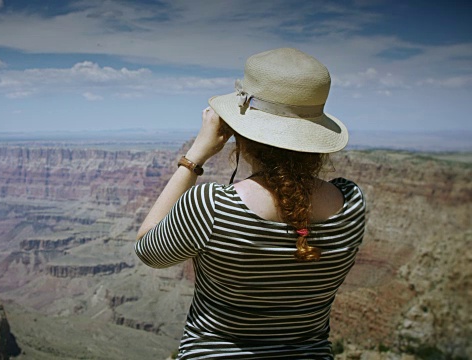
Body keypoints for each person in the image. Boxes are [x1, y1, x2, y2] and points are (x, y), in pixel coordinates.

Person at [134, 48, 366, 359]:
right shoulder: (351, 203)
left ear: (237, 133)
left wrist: (194, 158)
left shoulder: (213, 205)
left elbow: (147, 249)